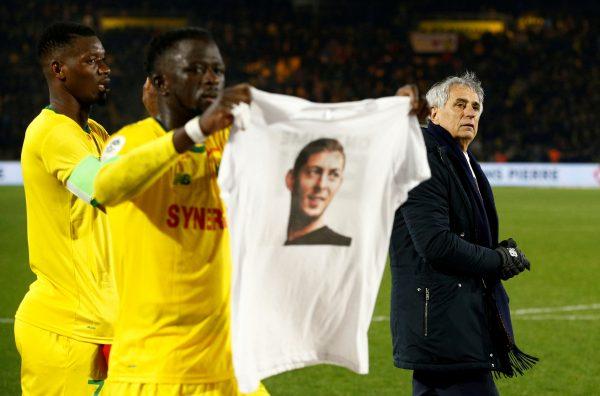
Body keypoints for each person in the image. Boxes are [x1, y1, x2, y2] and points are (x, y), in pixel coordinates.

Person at [87, 27, 267, 395]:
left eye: (217, 70)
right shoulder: (132, 141)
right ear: (161, 83)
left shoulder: (230, 144)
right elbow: (105, 188)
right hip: (154, 373)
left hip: (228, 371)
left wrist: (389, 114)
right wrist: (194, 132)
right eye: (196, 69)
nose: (211, 79)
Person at [389, 72, 537, 396]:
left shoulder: (459, 159)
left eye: (475, 106)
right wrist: (497, 260)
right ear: (433, 113)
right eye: (460, 104)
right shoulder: (424, 157)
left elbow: (458, 235)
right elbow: (436, 243)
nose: (470, 112)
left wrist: (495, 253)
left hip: (445, 325)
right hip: (445, 328)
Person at [15, 22, 118, 395]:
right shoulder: (52, 132)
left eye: (104, 61)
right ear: (59, 70)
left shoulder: (95, 133)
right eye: (92, 61)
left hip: (97, 324)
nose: (104, 69)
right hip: (65, 328)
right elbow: (108, 192)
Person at [284, 138, 351, 246]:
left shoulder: (343, 245)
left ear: (339, 184)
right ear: (291, 179)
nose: (321, 185)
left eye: (334, 175)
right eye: (314, 172)